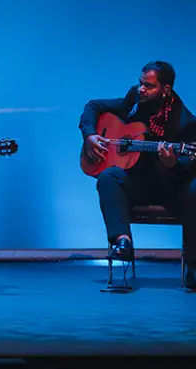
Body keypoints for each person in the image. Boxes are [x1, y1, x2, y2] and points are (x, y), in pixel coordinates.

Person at [79, 60, 195, 289]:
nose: (141, 89)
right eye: (140, 83)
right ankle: (123, 242)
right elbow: (92, 106)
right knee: (108, 177)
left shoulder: (184, 122)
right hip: (138, 184)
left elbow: (189, 164)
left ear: (166, 90)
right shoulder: (134, 99)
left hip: (170, 189)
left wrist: (172, 163)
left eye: (148, 86)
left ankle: (193, 263)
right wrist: (90, 135)